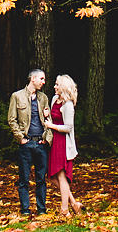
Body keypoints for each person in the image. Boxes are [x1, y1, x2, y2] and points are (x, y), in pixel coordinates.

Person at [7, 68, 50, 216]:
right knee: (24, 179)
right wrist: (21, 139)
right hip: (26, 144)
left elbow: (48, 120)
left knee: (41, 179)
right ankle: (25, 210)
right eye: (41, 79)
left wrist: (46, 139)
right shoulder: (17, 96)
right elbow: (12, 120)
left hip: (41, 143)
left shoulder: (43, 97)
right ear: (33, 79)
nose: (43, 82)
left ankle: (41, 210)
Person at [45, 74, 83, 217]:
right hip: (53, 141)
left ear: (64, 87)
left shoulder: (68, 105)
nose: (54, 87)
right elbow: (51, 119)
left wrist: (52, 125)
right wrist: (47, 115)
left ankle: (65, 210)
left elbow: (68, 127)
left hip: (62, 143)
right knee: (52, 176)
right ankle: (74, 203)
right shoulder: (55, 99)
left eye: (57, 85)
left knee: (61, 176)